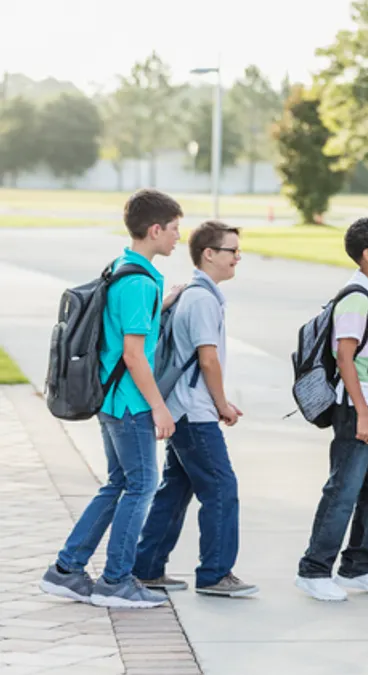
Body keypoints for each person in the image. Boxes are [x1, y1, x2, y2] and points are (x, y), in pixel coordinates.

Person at [40, 188, 182, 608]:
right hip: (131, 404)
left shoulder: (122, 268)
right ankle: (115, 581)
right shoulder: (138, 283)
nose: (178, 237)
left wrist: (164, 301)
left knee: (120, 483)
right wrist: (160, 406)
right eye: (174, 229)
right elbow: (134, 354)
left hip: (108, 399)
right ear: (155, 229)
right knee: (142, 485)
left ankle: (66, 570)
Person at [132, 221, 257, 598]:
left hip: (184, 409)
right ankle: (215, 574)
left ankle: (148, 567)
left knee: (175, 490)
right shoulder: (202, 299)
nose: (238, 257)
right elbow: (208, 361)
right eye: (232, 250)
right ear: (209, 254)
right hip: (195, 413)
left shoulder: (192, 293)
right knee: (221, 489)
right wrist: (222, 405)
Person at [296, 217, 368, 602]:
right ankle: (313, 570)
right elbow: (345, 358)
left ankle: (358, 568)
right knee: (344, 489)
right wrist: (361, 412)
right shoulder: (357, 298)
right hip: (354, 408)